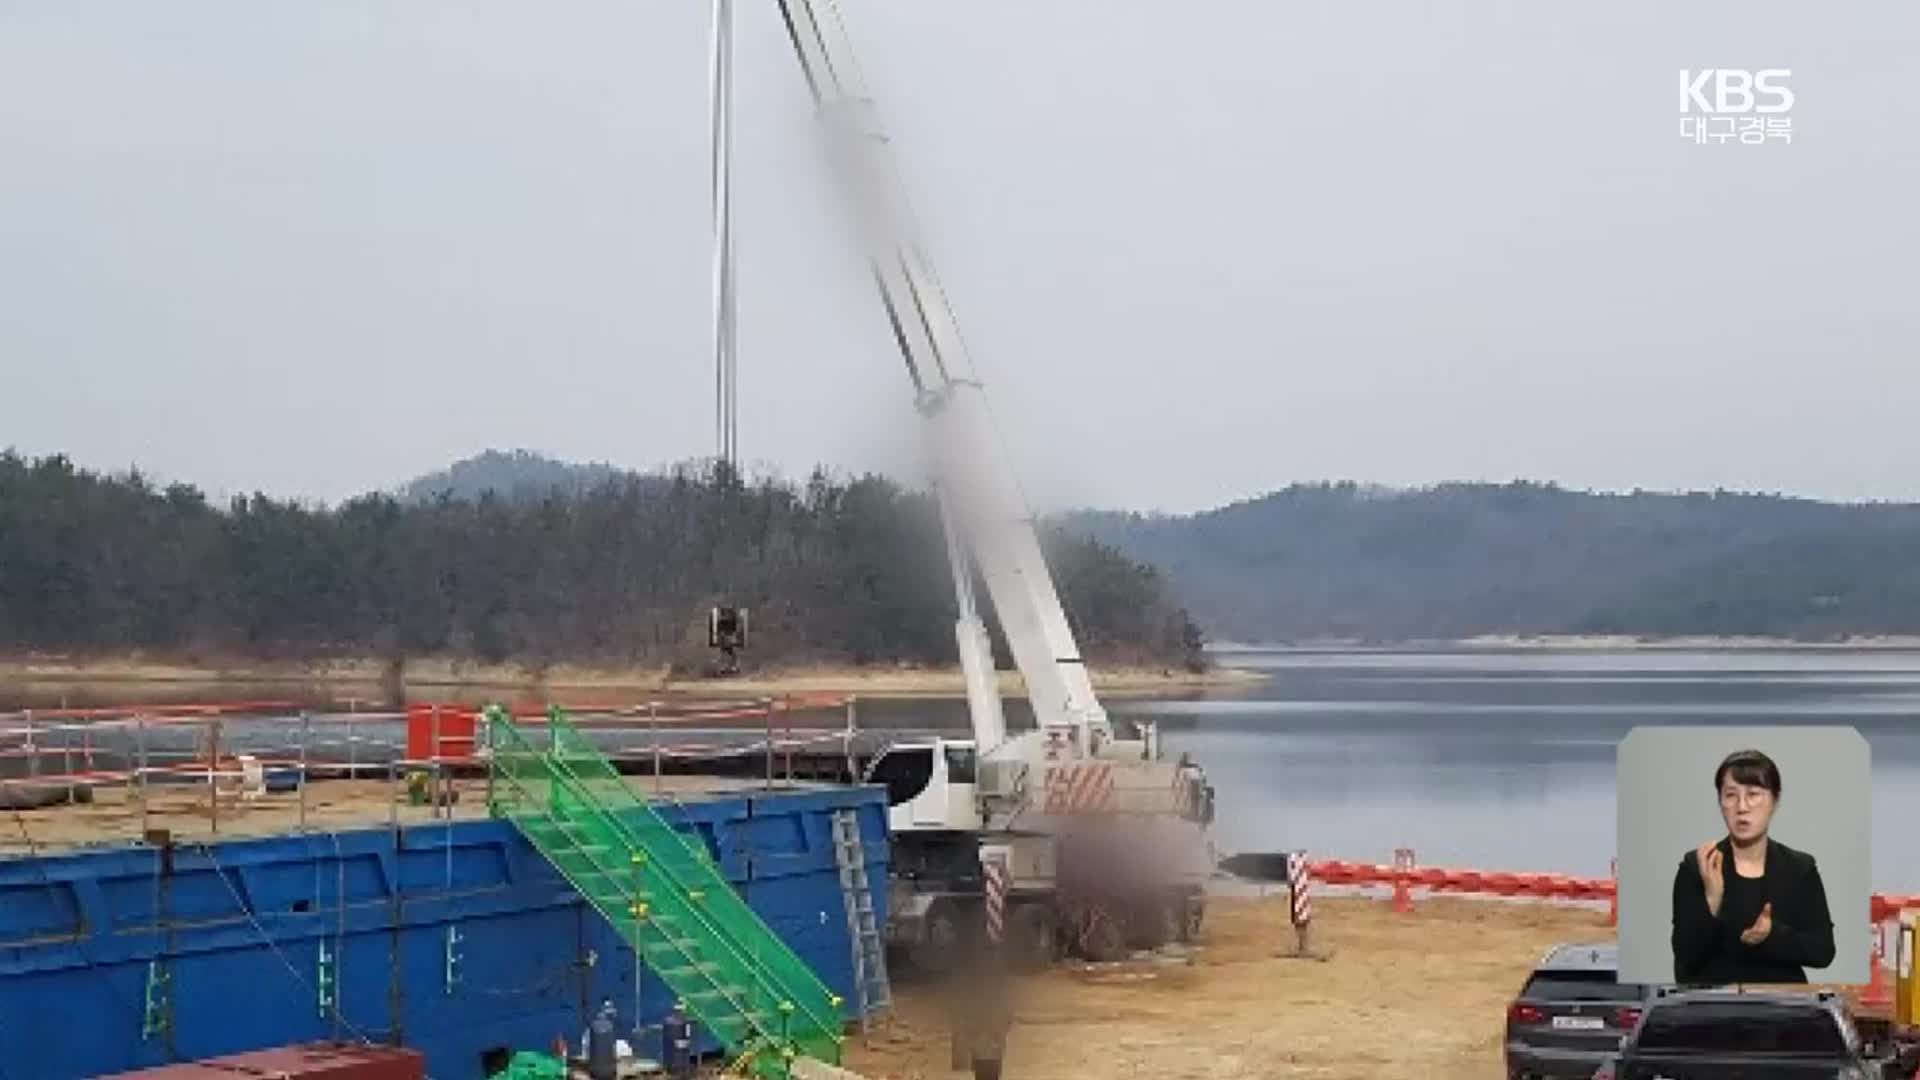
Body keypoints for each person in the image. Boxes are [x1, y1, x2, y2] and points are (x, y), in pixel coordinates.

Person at [1671, 748, 1836, 984]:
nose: (1742, 807)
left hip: (1782, 1007)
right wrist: (1712, 903)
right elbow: (1686, 959)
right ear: (1720, 802)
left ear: (1774, 801)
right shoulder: (1697, 865)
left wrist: (1772, 935)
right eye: (1731, 795)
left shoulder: (1799, 868)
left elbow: (1822, 951)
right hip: (1714, 1007)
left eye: (1753, 794)